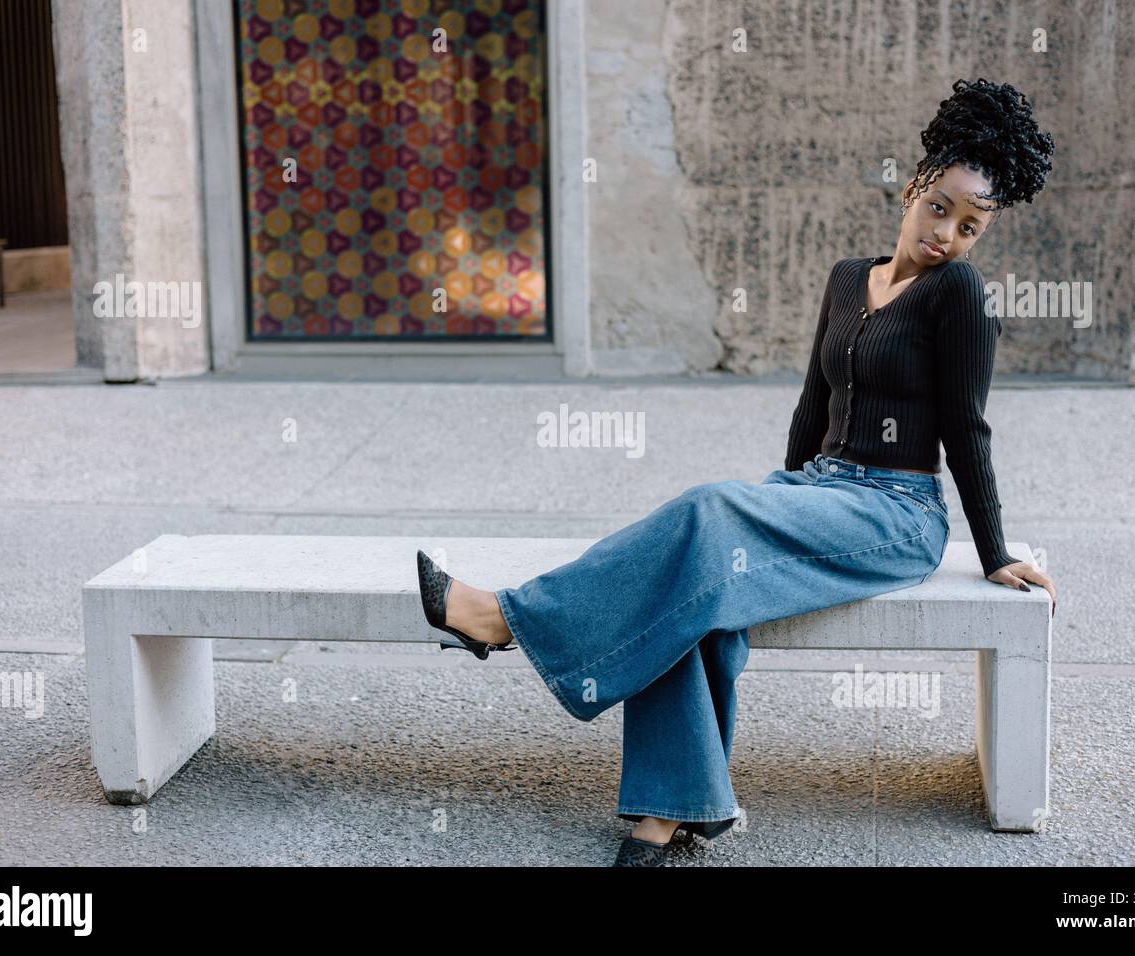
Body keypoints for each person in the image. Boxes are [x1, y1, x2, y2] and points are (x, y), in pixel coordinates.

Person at [416, 77, 1059, 867]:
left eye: (970, 226)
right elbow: (812, 403)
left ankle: (503, 619)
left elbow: (967, 427)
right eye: (940, 208)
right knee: (699, 580)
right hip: (819, 491)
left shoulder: (956, 292)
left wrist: (995, 552)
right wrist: (778, 511)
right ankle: (676, 809)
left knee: (707, 513)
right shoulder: (846, 278)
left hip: (896, 515)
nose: (947, 234)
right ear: (912, 189)